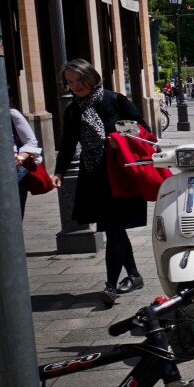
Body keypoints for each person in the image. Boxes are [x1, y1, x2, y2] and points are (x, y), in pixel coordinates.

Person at [51, 59, 149, 306]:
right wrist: (59, 172)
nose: (75, 86)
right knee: (115, 229)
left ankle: (110, 286)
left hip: (119, 174)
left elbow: (142, 131)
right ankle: (134, 276)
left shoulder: (115, 100)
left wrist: (120, 139)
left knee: (114, 228)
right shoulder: (74, 110)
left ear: (91, 77)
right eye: (70, 82)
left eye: (78, 80)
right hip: (94, 176)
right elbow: (68, 144)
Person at [11, 103, 41, 217]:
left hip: (13, 175)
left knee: (13, 218)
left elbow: (31, 141)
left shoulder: (11, 114)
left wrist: (20, 157)